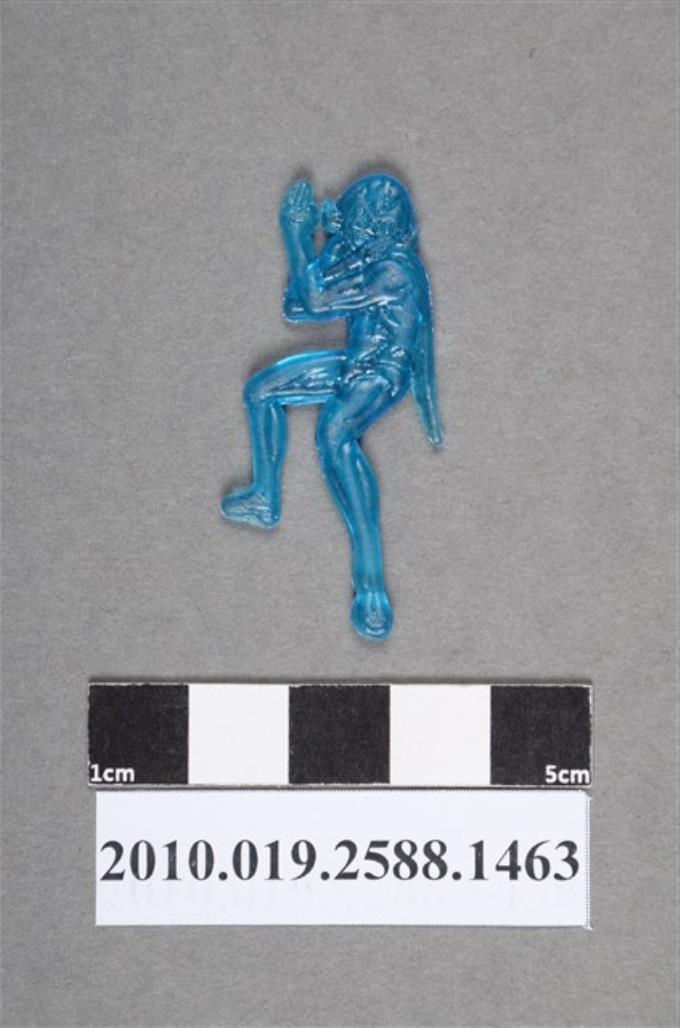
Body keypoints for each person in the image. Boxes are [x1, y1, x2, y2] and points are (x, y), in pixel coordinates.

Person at [220, 174, 443, 639]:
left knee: (334, 432)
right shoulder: (364, 257)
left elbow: (317, 298)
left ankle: (371, 583)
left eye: (356, 220)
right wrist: (325, 246)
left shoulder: (395, 270)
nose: (350, 226)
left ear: (375, 224)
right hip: (354, 362)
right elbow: (299, 305)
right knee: (261, 390)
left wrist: (296, 235)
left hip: (383, 372)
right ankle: (265, 497)